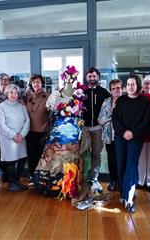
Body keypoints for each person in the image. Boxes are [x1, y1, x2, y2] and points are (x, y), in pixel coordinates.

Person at [33, 66, 88, 199]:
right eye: (67, 76)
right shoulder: (56, 93)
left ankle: (70, 186)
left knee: (71, 158)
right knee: (55, 157)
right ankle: (55, 185)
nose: (70, 78)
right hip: (58, 130)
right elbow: (49, 107)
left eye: (72, 76)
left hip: (74, 131)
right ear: (63, 77)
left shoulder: (78, 93)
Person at [112, 75, 150, 212]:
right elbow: (115, 119)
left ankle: (128, 198)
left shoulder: (144, 102)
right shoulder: (121, 100)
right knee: (121, 164)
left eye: (133, 84)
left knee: (131, 165)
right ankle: (123, 192)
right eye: (128, 84)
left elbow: (146, 122)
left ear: (138, 86)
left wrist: (133, 133)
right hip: (120, 137)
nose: (130, 87)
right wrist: (123, 132)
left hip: (136, 138)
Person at [0, 84, 30, 192]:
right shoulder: (0, 107)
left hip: (21, 137)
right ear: (7, 93)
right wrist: (14, 136)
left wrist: (21, 135)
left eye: (16, 93)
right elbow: (1, 125)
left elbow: (27, 121)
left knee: (22, 158)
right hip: (8, 138)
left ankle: (16, 180)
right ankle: (11, 183)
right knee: (11, 160)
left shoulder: (22, 107)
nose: (13, 95)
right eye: (11, 92)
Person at [83, 67, 111, 193]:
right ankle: (83, 177)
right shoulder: (80, 92)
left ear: (98, 77)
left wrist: (104, 120)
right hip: (84, 128)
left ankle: (94, 178)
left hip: (98, 128)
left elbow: (111, 108)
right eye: (90, 76)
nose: (92, 78)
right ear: (86, 77)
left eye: (94, 76)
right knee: (83, 153)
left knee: (96, 154)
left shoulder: (104, 92)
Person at [98, 79, 122, 191]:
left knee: (122, 159)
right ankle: (113, 180)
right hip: (109, 136)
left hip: (122, 136)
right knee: (111, 159)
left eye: (118, 88)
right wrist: (111, 115)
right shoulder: (106, 102)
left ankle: (122, 182)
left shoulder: (126, 100)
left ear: (122, 89)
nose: (116, 90)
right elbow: (100, 119)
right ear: (110, 90)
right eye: (113, 88)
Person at [24, 74, 50, 183]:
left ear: (42, 84)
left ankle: (41, 178)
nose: (36, 84)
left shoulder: (48, 96)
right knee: (31, 156)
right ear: (31, 84)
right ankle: (32, 176)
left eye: (38, 82)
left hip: (43, 131)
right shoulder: (27, 96)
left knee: (41, 156)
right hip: (29, 131)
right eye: (34, 82)